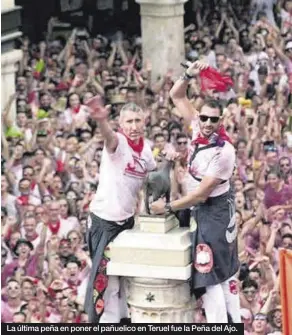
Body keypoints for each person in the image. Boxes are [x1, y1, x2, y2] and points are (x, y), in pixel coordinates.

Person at [150, 61, 241, 323]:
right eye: (203, 117)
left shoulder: (224, 151)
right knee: (222, 274)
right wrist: (189, 74)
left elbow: (200, 195)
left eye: (214, 119)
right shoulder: (196, 128)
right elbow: (176, 95)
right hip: (208, 209)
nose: (208, 123)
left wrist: (166, 207)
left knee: (210, 273)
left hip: (214, 211)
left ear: (221, 121)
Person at [84, 98, 156, 323]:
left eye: (138, 121)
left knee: (124, 281)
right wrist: (102, 121)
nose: (134, 126)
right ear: (121, 125)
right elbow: (109, 137)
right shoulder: (118, 143)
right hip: (104, 221)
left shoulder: (147, 150)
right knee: (107, 285)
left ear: (145, 122)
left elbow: (152, 179)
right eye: (129, 122)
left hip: (126, 223)